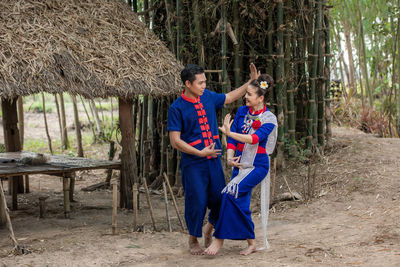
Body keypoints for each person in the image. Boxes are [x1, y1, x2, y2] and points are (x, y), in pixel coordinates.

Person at [167, 63, 260, 255]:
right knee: (197, 201)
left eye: (205, 82)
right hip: (193, 163)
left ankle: (209, 230)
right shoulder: (176, 108)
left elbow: (230, 96)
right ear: (187, 84)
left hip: (214, 160)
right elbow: (175, 141)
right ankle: (193, 239)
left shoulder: (208, 96)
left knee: (220, 198)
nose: (203, 86)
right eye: (200, 83)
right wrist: (199, 152)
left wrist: (250, 82)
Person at [204, 74, 278, 256]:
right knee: (240, 202)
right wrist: (230, 158)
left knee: (230, 193)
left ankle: (217, 239)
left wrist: (230, 133)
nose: (246, 97)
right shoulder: (242, 112)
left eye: (250, 94)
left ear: (261, 98)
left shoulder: (269, 118)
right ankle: (251, 243)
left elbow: (253, 139)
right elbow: (233, 142)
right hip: (239, 164)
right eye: (246, 93)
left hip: (257, 166)